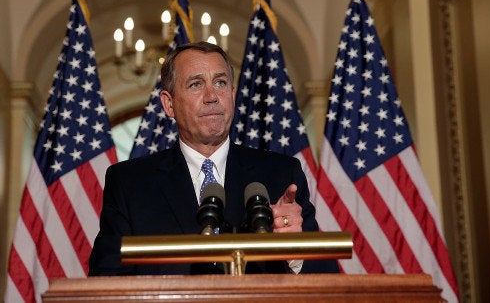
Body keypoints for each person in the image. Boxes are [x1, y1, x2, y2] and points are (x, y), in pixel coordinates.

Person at [89, 41, 339, 275]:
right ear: (169, 104)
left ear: (232, 94)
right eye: (196, 84)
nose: (212, 96)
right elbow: (105, 279)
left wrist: (295, 254)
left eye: (220, 83)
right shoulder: (129, 183)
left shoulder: (282, 175)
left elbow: (327, 276)